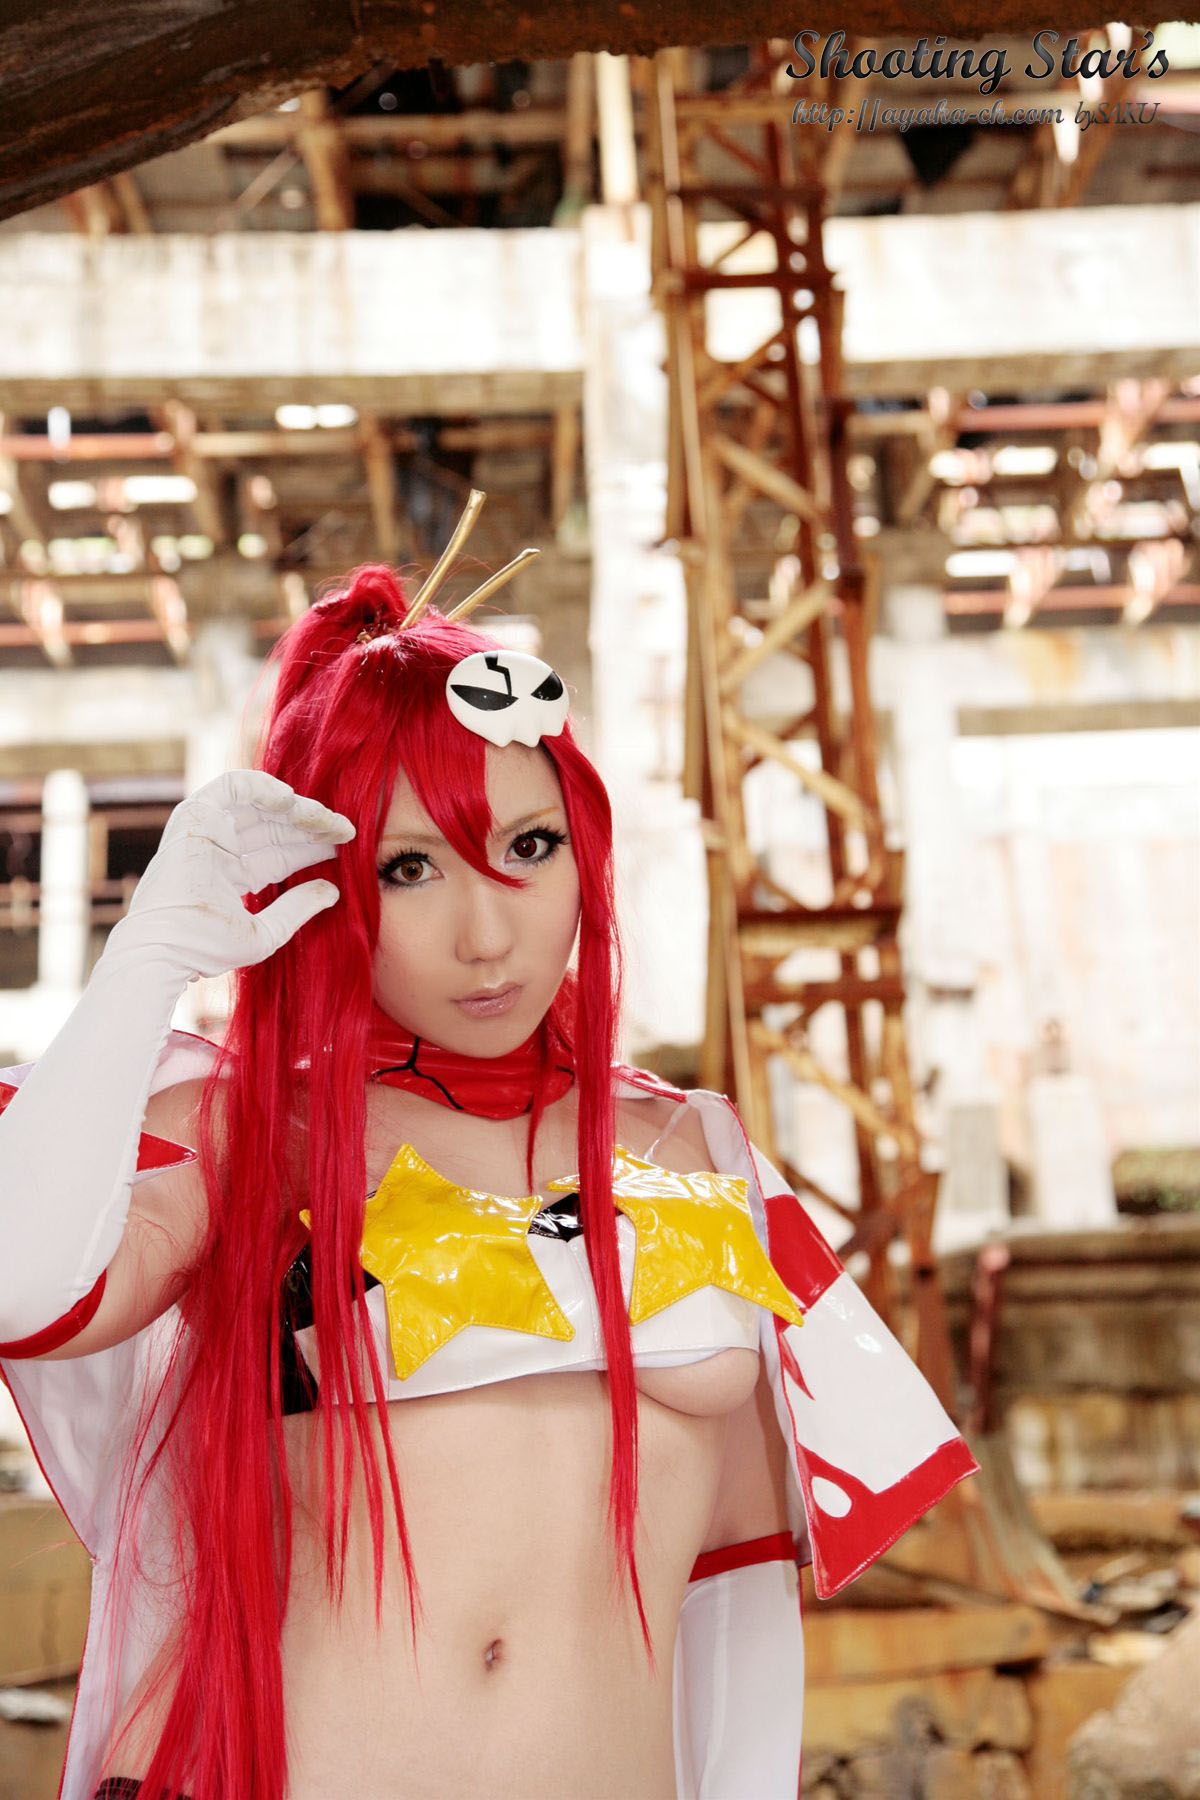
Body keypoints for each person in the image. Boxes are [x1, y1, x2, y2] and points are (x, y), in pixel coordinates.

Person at [0, 494, 976, 1800]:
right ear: (332, 890)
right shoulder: (250, 1129)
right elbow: (22, 1289)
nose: (487, 933)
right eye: (410, 869)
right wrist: (148, 957)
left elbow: (748, 1582)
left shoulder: (689, 1146)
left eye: (529, 846)